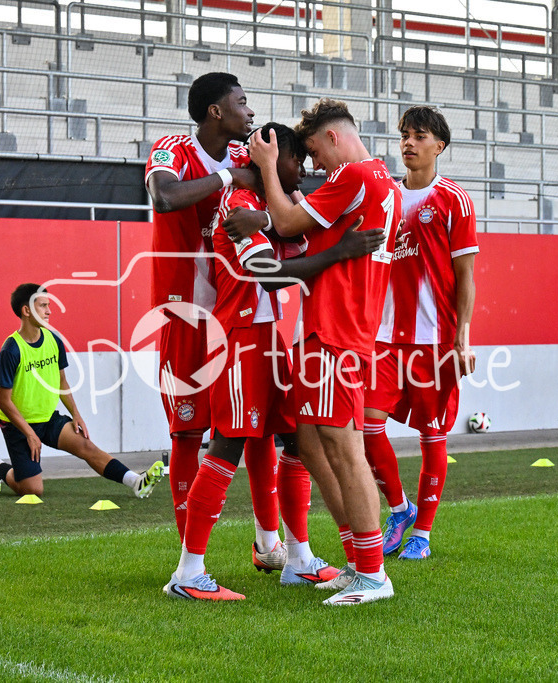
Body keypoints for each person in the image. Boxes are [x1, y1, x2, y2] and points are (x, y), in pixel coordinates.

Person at [163, 123, 385, 600]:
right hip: (240, 337)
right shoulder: (239, 203)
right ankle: (187, 572)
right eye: (296, 160)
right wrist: (342, 252)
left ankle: (298, 558)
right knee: (226, 446)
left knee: (298, 442)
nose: (302, 170)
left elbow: (297, 233)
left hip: (270, 338)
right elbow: (266, 274)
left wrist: (276, 214)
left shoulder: (263, 209)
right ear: (271, 158)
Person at [238, 99, 401, 606]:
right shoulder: (381, 182)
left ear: (333, 137)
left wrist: (267, 166)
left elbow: (287, 224)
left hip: (337, 330)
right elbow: (309, 229)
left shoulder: (353, 175)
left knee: (343, 446)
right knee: (309, 443)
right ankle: (357, 562)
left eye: (313, 152)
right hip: (330, 328)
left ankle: (372, 574)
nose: (314, 166)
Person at [144, 72, 279, 552]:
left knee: (257, 429)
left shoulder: (248, 155)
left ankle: (270, 544)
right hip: (184, 315)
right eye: (242, 102)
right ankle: (191, 558)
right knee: (187, 431)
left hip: (241, 315)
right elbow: (164, 197)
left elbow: (287, 204)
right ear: (216, 111)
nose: (250, 111)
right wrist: (227, 178)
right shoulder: (172, 149)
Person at [363, 105, 478, 560]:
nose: (409, 143)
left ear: (439, 146)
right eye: (405, 135)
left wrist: (462, 337)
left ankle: (423, 533)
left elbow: (466, 277)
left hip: (436, 339)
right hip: (385, 337)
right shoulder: (386, 197)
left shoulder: (453, 200)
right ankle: (399, 509)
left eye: (420, 136)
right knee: (367, 425)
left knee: (433, 435)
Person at [0, 283, 164, 499]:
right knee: (32, 489)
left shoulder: (54, 340)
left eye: (48, 305)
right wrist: (29, 433)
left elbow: (62, 382)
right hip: (18, 426)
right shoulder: (11, 349)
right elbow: (3, 401)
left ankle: (136, 481)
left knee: (86, 445)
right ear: (26, 310)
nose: (49, 311)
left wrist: (76, 414)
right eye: (43, 306)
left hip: (48, 420)